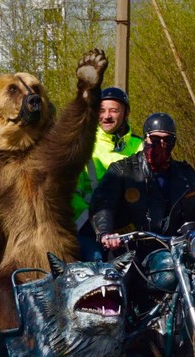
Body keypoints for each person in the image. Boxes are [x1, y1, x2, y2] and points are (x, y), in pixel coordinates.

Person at [90, 112, 195, 265]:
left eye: (167, 139)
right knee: (118, 283)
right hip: (132, 248)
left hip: (177, 247)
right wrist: (106, 233)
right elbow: (103, 205)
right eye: (155, 139)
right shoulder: (122, 171)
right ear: (145, 138)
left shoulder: (186, 174)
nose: (161, 144)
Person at [72, 87, 143, 261]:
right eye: (101, 111)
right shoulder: (83, 145)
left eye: (113, 110)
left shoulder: (140, 145)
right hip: (90, 229)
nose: (106, 116)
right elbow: (71, 193)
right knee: (96, 261)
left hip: (131, 229)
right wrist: (93, 225)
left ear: (126, 113)